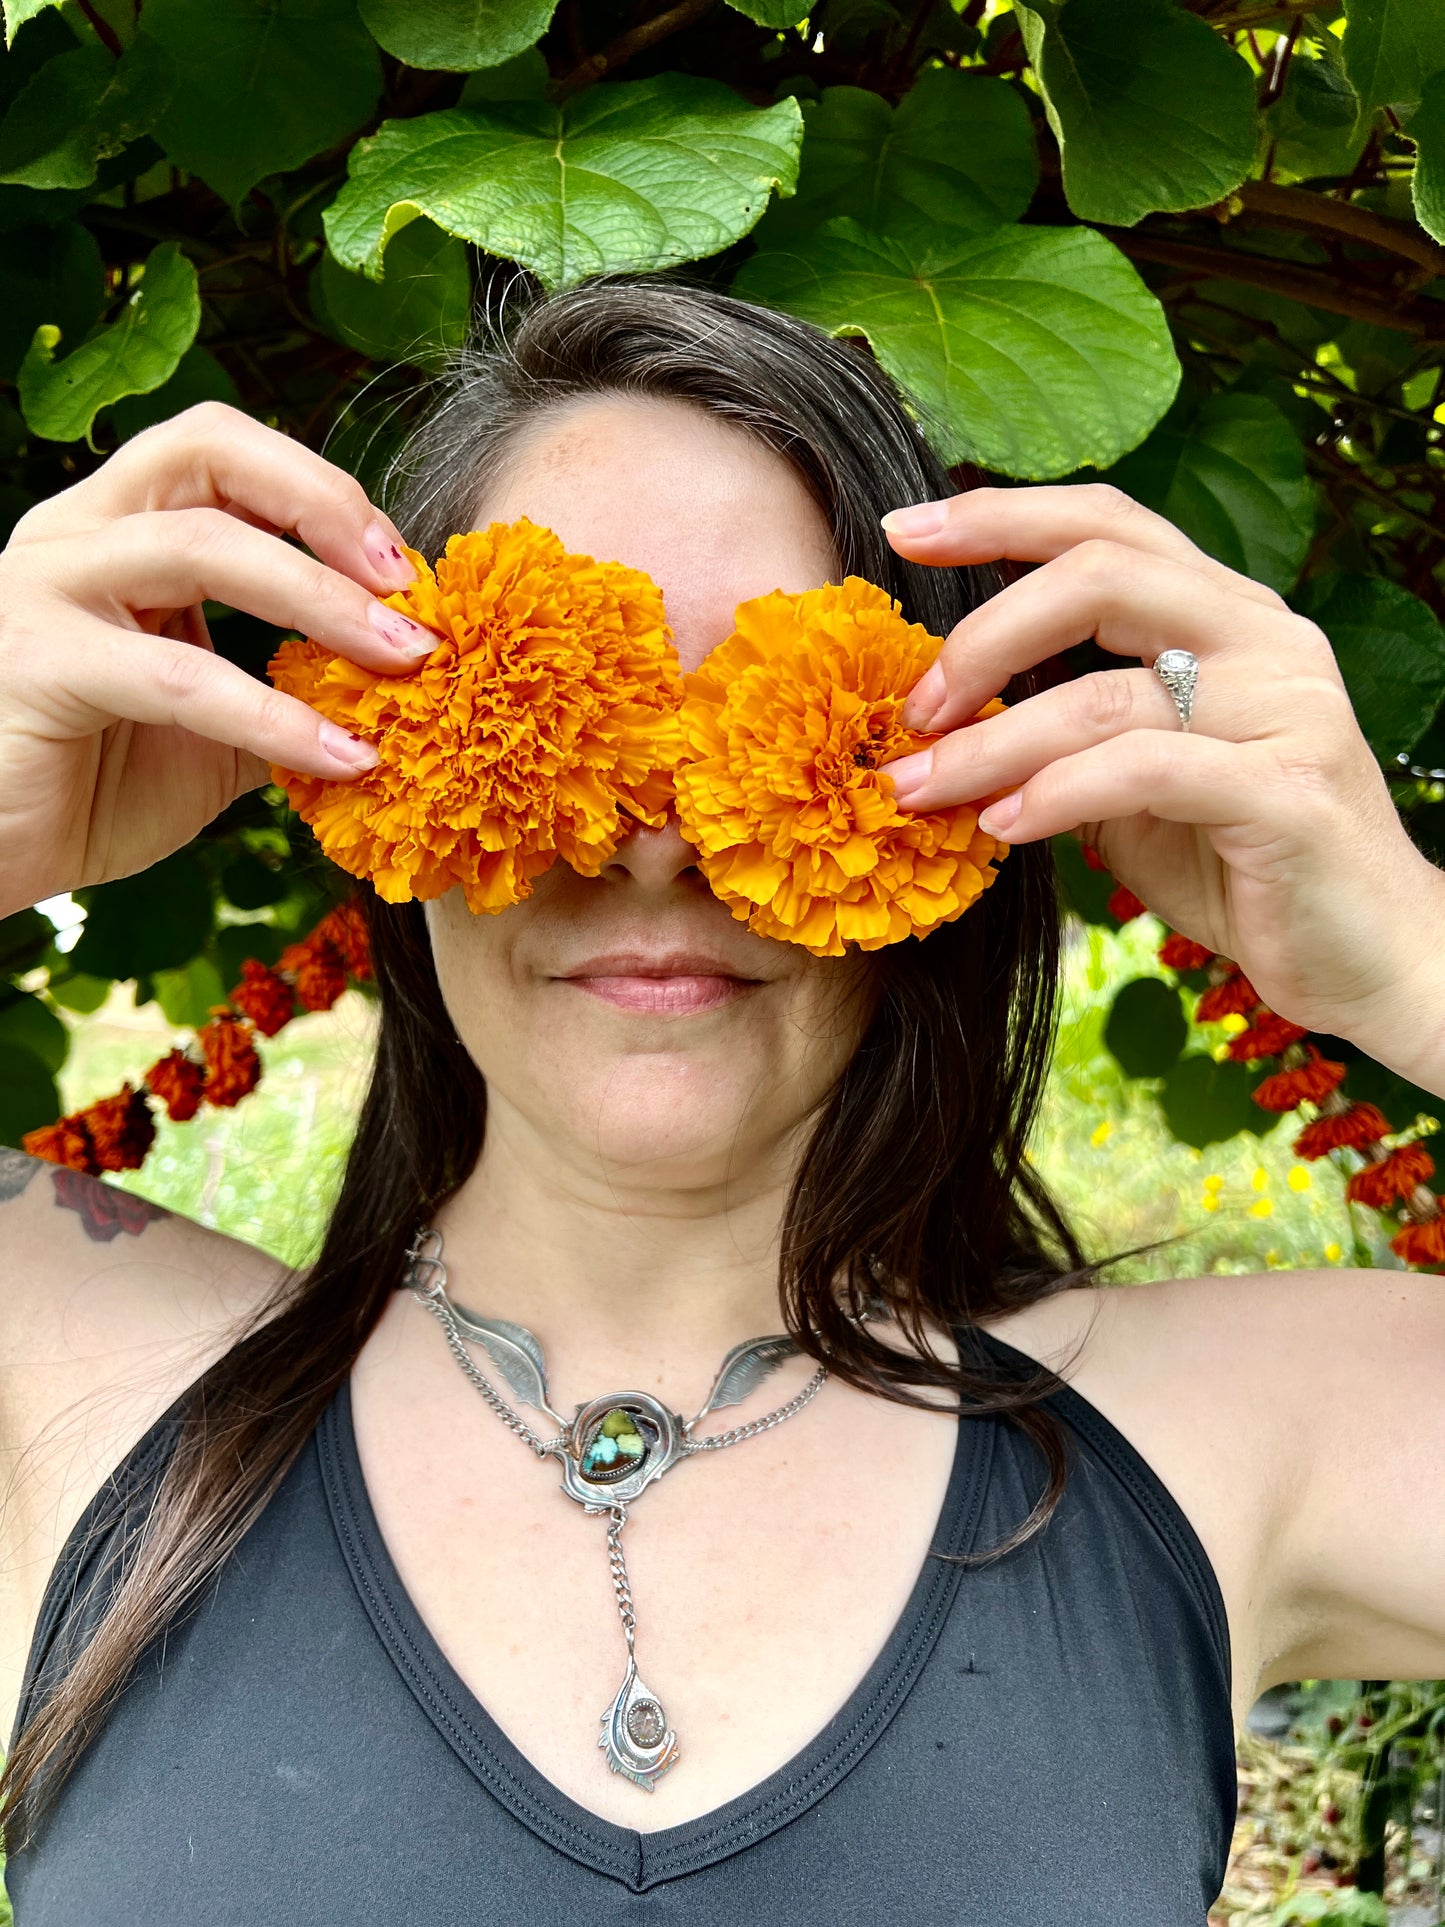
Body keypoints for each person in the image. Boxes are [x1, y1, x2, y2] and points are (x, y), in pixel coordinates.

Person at [0, 278, 1440, 1926]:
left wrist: (1404, 954)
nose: (653, 841)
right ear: (361, 741)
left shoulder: (1240, 1431)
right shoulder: (69, 1376)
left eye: (762, 720)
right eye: (565, 721)